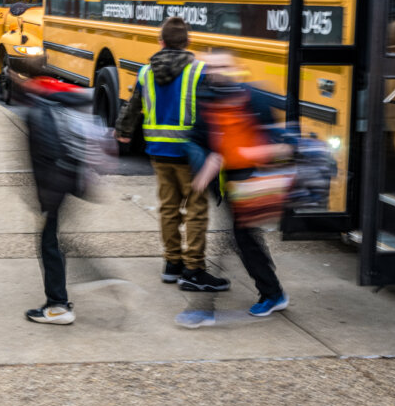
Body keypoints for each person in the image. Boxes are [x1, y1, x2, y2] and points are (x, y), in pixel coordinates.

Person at [115, 17, 229, 293]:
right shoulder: (199, 70)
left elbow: (133, 107)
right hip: (191, 153)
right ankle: (194, 269)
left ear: (161, 42)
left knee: (168, 208)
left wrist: (124, 132)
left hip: (158, 151)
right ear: (188, 42)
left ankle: (172, 264)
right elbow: (213, 111)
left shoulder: (145, 72)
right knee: (196, 211)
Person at [188, 51, 292, 321]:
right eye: (212, 67)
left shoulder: (255, 97)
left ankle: (271, 294)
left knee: (242, 238)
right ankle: (270, 292)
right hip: (229, 185)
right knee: (244, 239)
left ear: (235, 68)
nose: (217, 70)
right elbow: (198, 137)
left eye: (223, 65)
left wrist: (246, 154)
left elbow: (274, 142)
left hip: (252, 182)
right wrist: (203, 169)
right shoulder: (207, 99)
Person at [22, 76, 95, 325]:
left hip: (54, 190)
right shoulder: (62, 106)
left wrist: (46, 198)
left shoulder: (42, 110)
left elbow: (50, 154)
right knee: (55, 241)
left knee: (49, 243)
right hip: (67, 186)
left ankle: (58, 306)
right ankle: (61, 298)